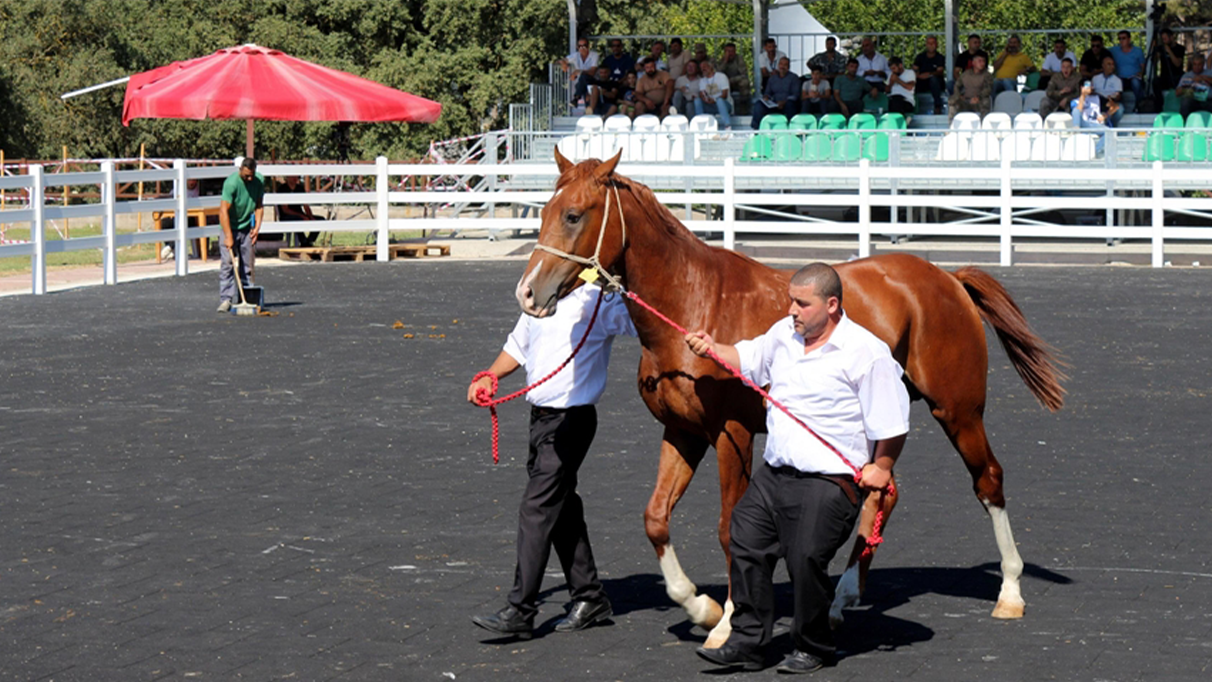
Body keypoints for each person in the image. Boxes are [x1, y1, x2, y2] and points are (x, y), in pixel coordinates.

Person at [688, 263, 910, 674]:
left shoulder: (867, 353)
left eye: (801, 303)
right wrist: (714, 348)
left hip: (829, 482)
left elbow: (892, 422)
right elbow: (748, 357)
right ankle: (747, 642)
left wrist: (882, 465)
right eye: (791, 299)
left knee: (805, 556)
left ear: (831, 305)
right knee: (745, 538)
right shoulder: (783, 335)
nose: (791, 309)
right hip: (775, 476)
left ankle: (814, 646)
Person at [468, 282, 637, 640]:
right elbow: (518, 345)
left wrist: (623, 290)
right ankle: (589, 597)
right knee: (560, 507)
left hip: (572, 421)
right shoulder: (541, 296)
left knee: (537, 507)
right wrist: (490, 374)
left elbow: (640, 322)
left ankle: (521, 609)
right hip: (541, 420)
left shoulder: (599, 301)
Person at [217, 157, 264, 313]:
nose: (249, 178)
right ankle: (226, 299)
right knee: (227, 263)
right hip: (229, 225)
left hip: (246, 228)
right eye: (246, 176)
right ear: (240, 170)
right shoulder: (231, 183)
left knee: (247, 264)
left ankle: (246, 296)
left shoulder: (259, 181)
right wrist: (228, 236)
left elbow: (259, 205)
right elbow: (223, 210)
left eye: (252, 175)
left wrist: (256, 227)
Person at [751, 56, 799, 128]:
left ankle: (791, 129)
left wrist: (784, 102)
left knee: (790, 105)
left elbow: (795, 95)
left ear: (788, 67)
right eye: (781, 64)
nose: (782, 67)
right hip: (774, 104)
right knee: (758, 104)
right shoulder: (772, 78)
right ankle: (756, 129)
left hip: (787, 104)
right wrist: (766, 97)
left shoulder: (794, 78)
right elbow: (767, 93)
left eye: (785, 65)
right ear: (778, 65)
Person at [1072, 81, 1117, 155]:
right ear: (1081, 87)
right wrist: (1083, 95)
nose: (1090, 88)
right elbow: (1078, 110)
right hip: (1083, 124)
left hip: (1095, 125)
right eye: (1087, 86)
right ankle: (1076, 131)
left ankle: (1095, 152)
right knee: (1075, 110)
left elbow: (1115, 106)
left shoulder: (1097, 98)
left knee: (1109, 132)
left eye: (1091, 86)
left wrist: (1105, 115)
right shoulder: (1075, 100)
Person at [277, 175, 323, 248]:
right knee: (297, 220)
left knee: (320, 220)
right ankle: (303, 241)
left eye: (297, 176)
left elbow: (306, 206)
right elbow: (285, 209)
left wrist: (310, 217)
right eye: (293, 176)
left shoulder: (300, 188)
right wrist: (302, 216)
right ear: (287, 177)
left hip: (300, 215)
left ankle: (309, 240)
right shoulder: (282, 189)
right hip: (287, 216)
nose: (295, 178)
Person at [949, 54, 992, 121]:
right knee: (953, 101)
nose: (982, 63)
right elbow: (957, 85)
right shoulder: (966, 74)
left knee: (986, 102)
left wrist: (978, 97)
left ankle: (983, 125)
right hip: (965, 100)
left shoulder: (987, 75)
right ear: (973, 63)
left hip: (979, 101)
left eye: (983, 61)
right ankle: (951, 127)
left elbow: (988, 88)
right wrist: (959, 95)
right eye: (979, 61)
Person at [558, 39, 598, 105]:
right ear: (577, 47)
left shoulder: (594, 55)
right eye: (580, 46)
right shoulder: (576, 55)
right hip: (581, 83)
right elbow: (563, 60)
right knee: (581, 82)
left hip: (593, 81)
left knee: (583, 77)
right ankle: (584, 105)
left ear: (588, 46)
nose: (582, 48)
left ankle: (576, 99)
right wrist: (564, 64)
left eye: (584, 45)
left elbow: (592, 72)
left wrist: (578, 72)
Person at [1154, 28, 1186, 110]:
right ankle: (1159, 106)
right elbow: (1154, 61)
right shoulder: (1161, 48)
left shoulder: (1180, 48)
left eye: (1165, 38)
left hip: (1176, 75)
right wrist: (1155, 50)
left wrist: (1169, 51)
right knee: (1155, 82)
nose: (1164, 41)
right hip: (1164, 76)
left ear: (1171, 37)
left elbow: (1177, 64)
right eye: (1162, 39)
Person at [914, 35, 947, 114]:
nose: (931, 45)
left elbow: (940, 71)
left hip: (935, 82)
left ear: (937, 44)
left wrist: (929, 74)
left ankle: (937, 106)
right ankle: (912, 106)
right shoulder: (920, 57)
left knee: (934, 80)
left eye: (933, 43)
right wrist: (918, 75)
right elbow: (914, 69)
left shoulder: (940, 57)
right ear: (926, 45)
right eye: (929, 43)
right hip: (921, 81)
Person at [1111, 30, 1145, 105]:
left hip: (1134, 77)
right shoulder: (1114, 50)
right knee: (1118, 84)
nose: (1121, 40)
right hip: (1121, 78)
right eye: (1119, 39)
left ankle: (1140, 105)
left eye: (1124, 38)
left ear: (1129, 39)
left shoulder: (1138, 51)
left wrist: (1141, 74)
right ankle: (1118, 106)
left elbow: (1143, 66)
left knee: (1135, 83)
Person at [696, 59, 732, 129]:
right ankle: (700, 125)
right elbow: (702, 94)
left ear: (711, 67)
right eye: (701, 68)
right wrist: (705, 99)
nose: (703, 69)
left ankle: (727, 126)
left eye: (705, 66)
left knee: (719, 100)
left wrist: (714, 100)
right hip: (711, 105)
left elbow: (725, 94)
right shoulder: (702, 80)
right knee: (697, 100)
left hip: (725, 105)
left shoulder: (721, 76)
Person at [717, 42, 752, 114]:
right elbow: (718, 74)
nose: (730, 54)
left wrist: (731, 80)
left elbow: (743, 75)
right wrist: (725, 62)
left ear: (735, 51)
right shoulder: (721, 60)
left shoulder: (739, 59)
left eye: (732, 51)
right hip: (724, 85)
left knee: (745, 82)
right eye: (728, 51)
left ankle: (744, 110)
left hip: (736, 83)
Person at [1176, 54, 1212, 118]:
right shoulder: (1186, 76)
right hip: (1193, 100)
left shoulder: (1209, 73)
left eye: (1199, 64)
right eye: (1195, 64)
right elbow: (1177, 93)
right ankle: (1184, 124)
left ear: (1203, 64)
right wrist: (1189, 86)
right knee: (1185, 102)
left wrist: (1203, 78)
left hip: (1208, 100)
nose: (1197, 67)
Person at [1092, 55, 1124, 126]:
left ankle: (1111, 125)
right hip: (1097, 101)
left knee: (1120, 108)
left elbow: (1119, 96)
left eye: (1113, 64)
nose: (1111, 66)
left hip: (1110, 101)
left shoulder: (1117, 80)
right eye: (1109, 64)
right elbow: (1091, 92)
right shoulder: (1095, 78)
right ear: (1103, 65)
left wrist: (1115, 96)